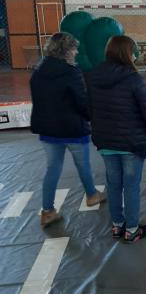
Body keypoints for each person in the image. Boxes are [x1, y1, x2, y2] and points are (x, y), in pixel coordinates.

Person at [88, 35, 146, 243]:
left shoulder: (93, 76)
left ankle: (117, 225)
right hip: (131, 143)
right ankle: (131, 229)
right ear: (128, 53)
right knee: (131, 186)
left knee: (113, 185)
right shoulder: (133, 78)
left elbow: (89, 109)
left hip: (106, 142)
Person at [30, 32, 104, 228]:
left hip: (47, 129)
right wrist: (91, 117)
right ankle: (91, 195)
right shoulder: (71, 73)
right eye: (74, 48)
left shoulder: (37, 71)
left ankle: (47, 211)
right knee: (83, 165)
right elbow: (81, 101)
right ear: (67, 51)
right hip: (73, 128)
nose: (76, 51)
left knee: (52, 168)